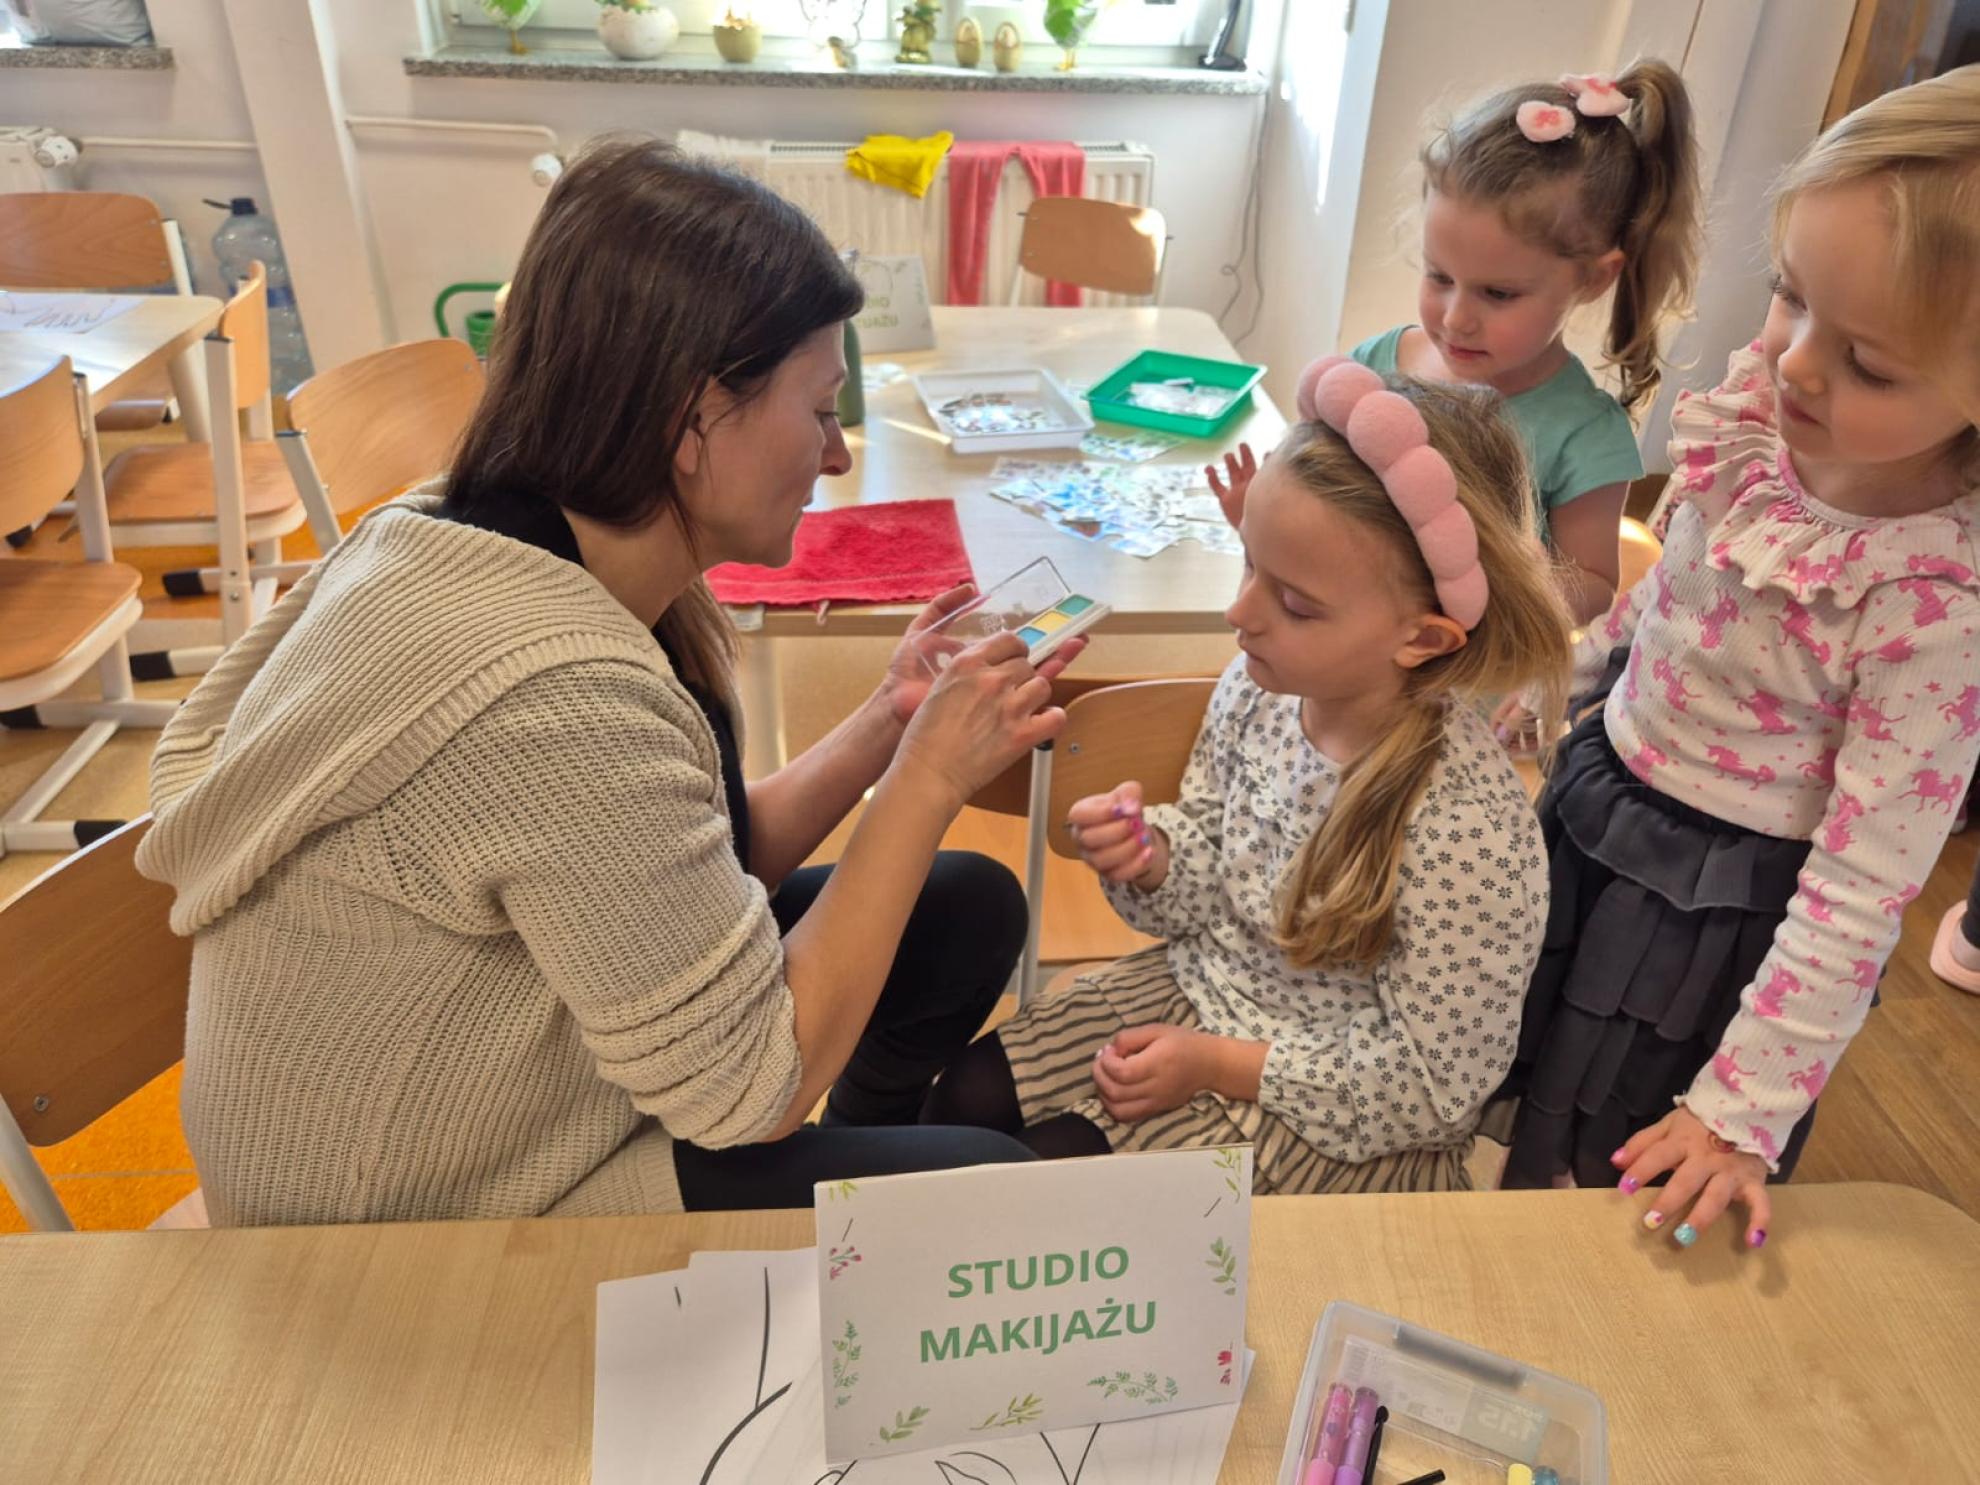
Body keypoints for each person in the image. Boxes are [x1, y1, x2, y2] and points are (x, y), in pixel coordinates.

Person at [134, 137, 1086, 1224]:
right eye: (821, 410)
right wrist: (926, 780)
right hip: (412, 1210)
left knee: (962, 906)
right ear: (692, 417)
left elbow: (700, 851)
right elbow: (752, 1092)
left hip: (506, 1064)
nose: (834, 455)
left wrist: (886, 720)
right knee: (994, 1194)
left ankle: (864, 1154)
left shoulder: (499, 529)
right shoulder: (551, 695)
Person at [1492, 66, 1980, 1250]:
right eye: (1788, 296)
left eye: (1869, 362)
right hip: (1595, 806)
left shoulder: (1933, 606)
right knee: (1512, 1082)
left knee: (1610, 1176)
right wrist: (1573, 675)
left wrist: (1740, 1111)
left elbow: (1864, 888)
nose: (1797, 362)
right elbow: (1676, 598)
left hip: (1708, 927)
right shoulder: (1756, 416)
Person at [923, 364, 1575, 1193]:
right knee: (961, 1103)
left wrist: (1219, 1064)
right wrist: (1153, 856)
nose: (1240, 614)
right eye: (1247, 563)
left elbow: (1431, 1088)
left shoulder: (1468, 832)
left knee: (1039, 1187)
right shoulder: (1260, 687)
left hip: (1325, 1112)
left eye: (1295, 604)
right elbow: (1209, 875)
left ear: (1422, 639)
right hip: (1205, 992)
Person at [1214, 62, 1700, 626]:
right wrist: (1262, 516)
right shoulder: (1378, 364)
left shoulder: (1583, 434)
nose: (1456, 318)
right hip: (1345, 652)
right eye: (1439, 277)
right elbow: (1324, 501)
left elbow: (1592, 588)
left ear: (1593, 279)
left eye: (1498, 293)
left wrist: (1503, 577)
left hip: (1469, 672)